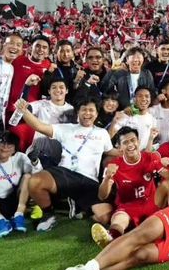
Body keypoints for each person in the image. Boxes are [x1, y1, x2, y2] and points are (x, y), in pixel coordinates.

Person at [14, 97, 118, 231]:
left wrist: (131, 152)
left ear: (97, 113)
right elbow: (39, 126)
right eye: (84, 110)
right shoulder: (66, 128)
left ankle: (79, 206)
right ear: (78, 112)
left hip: (89, 180)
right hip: (65, 173)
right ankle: (48, 215)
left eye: (91, 110)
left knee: (104, 217)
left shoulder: (102, 133)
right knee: (35, 181)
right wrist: (24, 111)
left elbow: (110, 151)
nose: (87, 113)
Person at [91, 127, 169, 248]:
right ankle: (111, 237)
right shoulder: (113, 165)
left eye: (133, 140)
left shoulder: (151, 158)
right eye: (125, 142)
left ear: (138, 142)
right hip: (127, 206)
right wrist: (107, 178)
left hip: (151, 204)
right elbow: (102, 196)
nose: (130, 145)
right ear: (119, 147)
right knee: (119, 219)